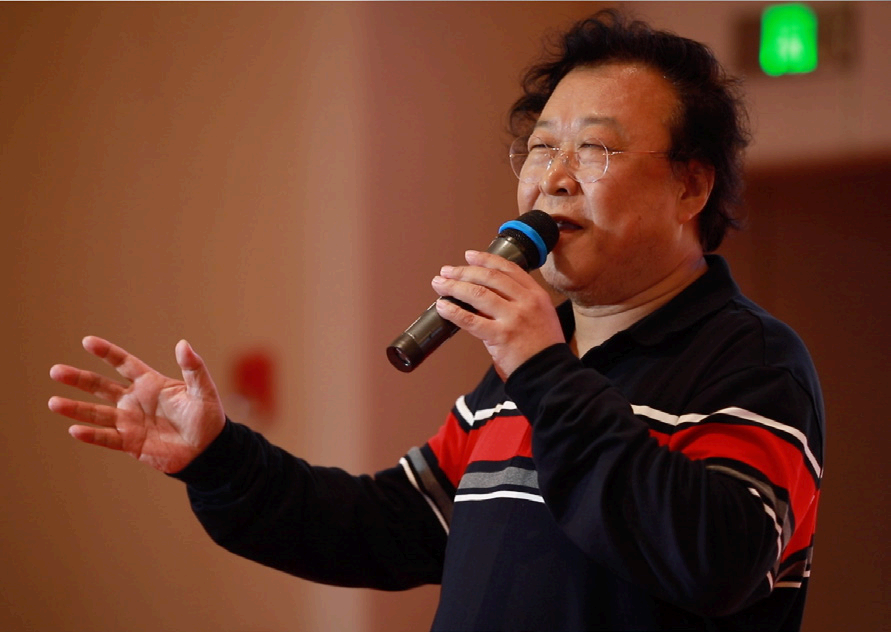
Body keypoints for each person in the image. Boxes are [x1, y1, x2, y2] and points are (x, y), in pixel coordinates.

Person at [48, 10, 824, 631]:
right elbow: (385, 527)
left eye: (593, 150)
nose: (552, 178)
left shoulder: (749, 357)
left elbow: (716, 562)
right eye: (539, 148)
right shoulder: (529, 370)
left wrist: (543, 372)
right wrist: (217, 458)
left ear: (690, 187)